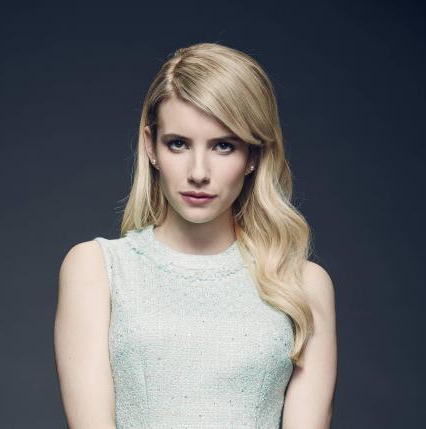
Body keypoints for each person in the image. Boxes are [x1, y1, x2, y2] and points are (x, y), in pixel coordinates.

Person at [54, 42, 337, 428]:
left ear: (253, 155)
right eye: (178, 144)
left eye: (224, 146)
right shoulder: (97, 269)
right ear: (151, 145)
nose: (198, 172)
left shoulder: (302, 285)